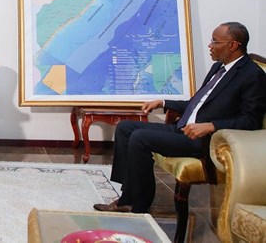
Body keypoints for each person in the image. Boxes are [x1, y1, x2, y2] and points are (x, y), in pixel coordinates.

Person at [93, 21, 266, 214]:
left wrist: (211, 126)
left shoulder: (252, 75)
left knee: (140, 138)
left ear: (233, 45)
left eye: (215, 41)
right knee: (125, 128)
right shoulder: (219, 68)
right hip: (183, 128)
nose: (210, 45)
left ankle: (137, 204)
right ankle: (129, 193)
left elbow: (251, 121)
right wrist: (163, 102)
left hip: (204, 140)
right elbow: (196, 104)